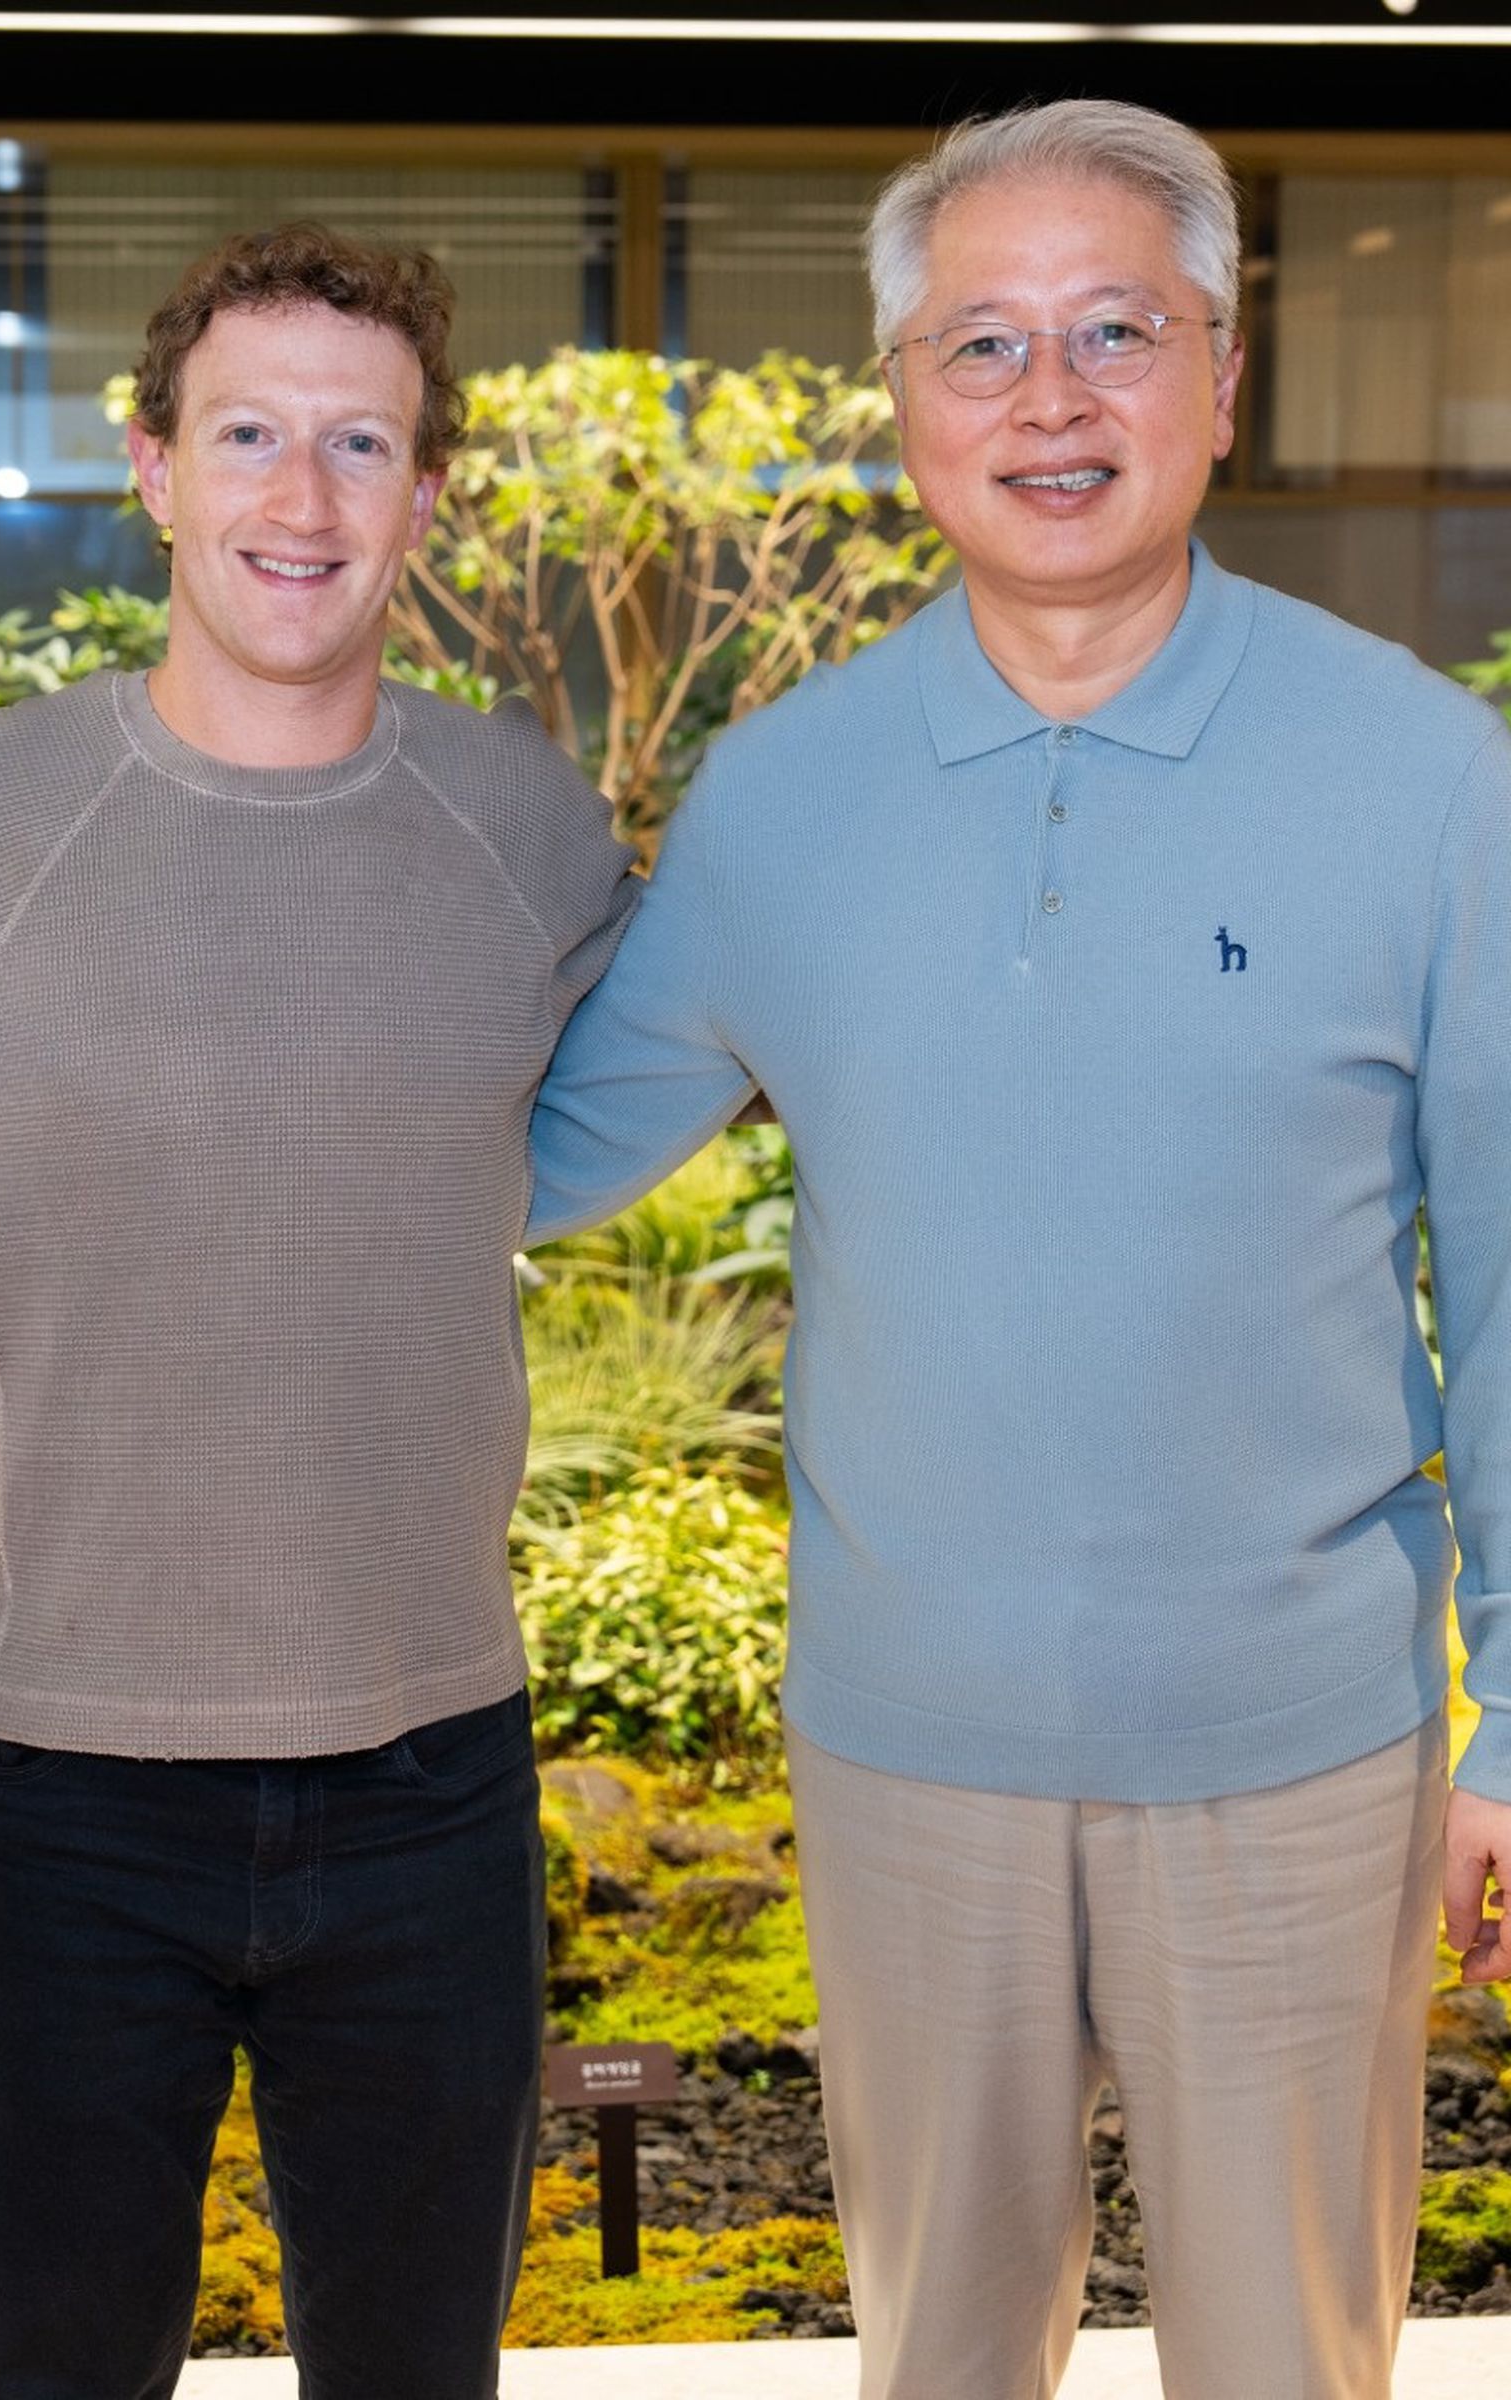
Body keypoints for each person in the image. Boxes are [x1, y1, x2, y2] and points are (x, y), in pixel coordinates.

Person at [528, 97, 1511, 2400]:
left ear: (1225, 372)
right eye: (982, 342)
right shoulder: (783, 795)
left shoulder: (1432, 777)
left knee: (1290, 2362)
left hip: (1300, 1750)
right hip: (904, 1752)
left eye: (1114, 333)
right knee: (941, 2351)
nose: (1049, 399)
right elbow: (528, 1155)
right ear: (903, 398)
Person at [0, 222, 637, 2397]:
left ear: (429, 492)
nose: (303, 498)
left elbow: (562, 1118)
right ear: (151, 468)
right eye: (249, 434)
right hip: (62, 1785)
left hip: (431, 1780)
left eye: (362, 444)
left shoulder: (522, 828)